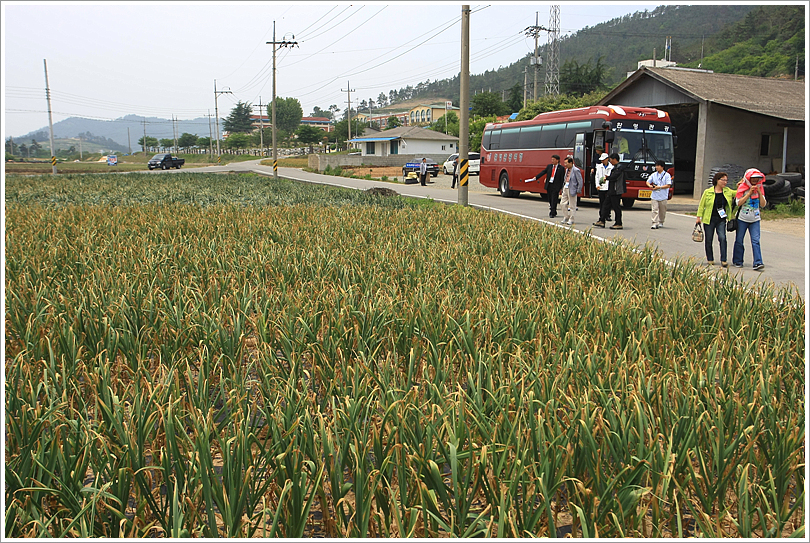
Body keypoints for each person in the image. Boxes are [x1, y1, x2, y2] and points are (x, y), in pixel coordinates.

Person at [696, 171, 735, 268]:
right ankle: (710, 258)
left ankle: (724, 259)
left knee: (722, 238)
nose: (725, 182)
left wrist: (743, 183)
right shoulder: (708, 192)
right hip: (709, 219)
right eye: (723, 180)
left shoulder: (727, 191)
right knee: (709, 239)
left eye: (726, 180)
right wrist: (698, 217)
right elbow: (702, 205)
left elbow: (738, 192)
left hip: (721, 219)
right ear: (717, 180)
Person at [733, 168, 767, 270]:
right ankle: (738, 260)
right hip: (742, 219)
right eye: (753, 178)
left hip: (755, 219)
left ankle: (758, 262)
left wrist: (759, 192)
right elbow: (738, 203)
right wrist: (749, 193)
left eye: (757, 179)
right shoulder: (742, 187)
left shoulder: (760, 188)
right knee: (739, 240)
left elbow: (763, 204)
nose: (755, 181)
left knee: (755, 241)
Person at [593, 153, 625, 229]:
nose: (610, 161)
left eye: (611, 159)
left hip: (616, 190)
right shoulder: (615, 167)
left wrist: (607, 178)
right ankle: (602, 220)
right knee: (605, 205)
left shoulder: (620, 167)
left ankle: (618, 223)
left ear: (614, 159)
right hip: (611, 190)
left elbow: (615, 177)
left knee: (616, 207)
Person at [647, 160, 673, 229]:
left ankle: (661, 221)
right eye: (656, 166)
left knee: (662, 210)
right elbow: (648, 181)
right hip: (654, 195)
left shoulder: (667, 175)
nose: (656, 167)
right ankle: (654, 223)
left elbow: (668, 185)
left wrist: (659, 187)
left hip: (663, 196)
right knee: (655, 210)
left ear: (662, 167)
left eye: (658, 166)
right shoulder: (654, 174)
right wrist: (650, 186)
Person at [561, 157, 583, 225]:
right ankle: (566, 216)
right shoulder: (567, 170)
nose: (565, 164)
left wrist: (578, 189)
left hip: (572, 188)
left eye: (566, 163)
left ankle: (571, 219)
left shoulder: (576, 170)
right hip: (566, 187)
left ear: (571, 163)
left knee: (572, 205)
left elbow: (580, 180)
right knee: (562, 203)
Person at [594, 152, 612, 222]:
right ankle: (601, 215)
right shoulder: (599, 166)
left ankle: (607, 215)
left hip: (608, 186)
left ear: (607, 159)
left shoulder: (611, 167)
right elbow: (597, 176)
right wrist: (597, 185)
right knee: (602, 202)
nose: (602, 161)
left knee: (608, 203)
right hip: (601, 187)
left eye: (604, 159)